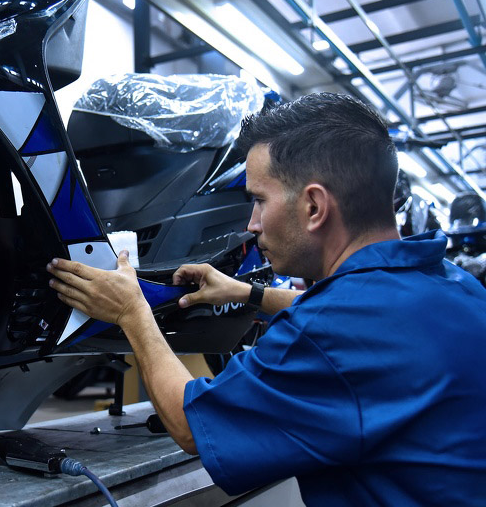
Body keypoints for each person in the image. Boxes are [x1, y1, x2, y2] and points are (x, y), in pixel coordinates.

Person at [47, 92, 486, 505]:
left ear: (314, 206)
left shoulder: (330, 334)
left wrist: (132, 312)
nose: (253, 223)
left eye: (258, 200)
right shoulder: (455, 287)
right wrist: (248, 293)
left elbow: (190, 425)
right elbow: (371, 327)